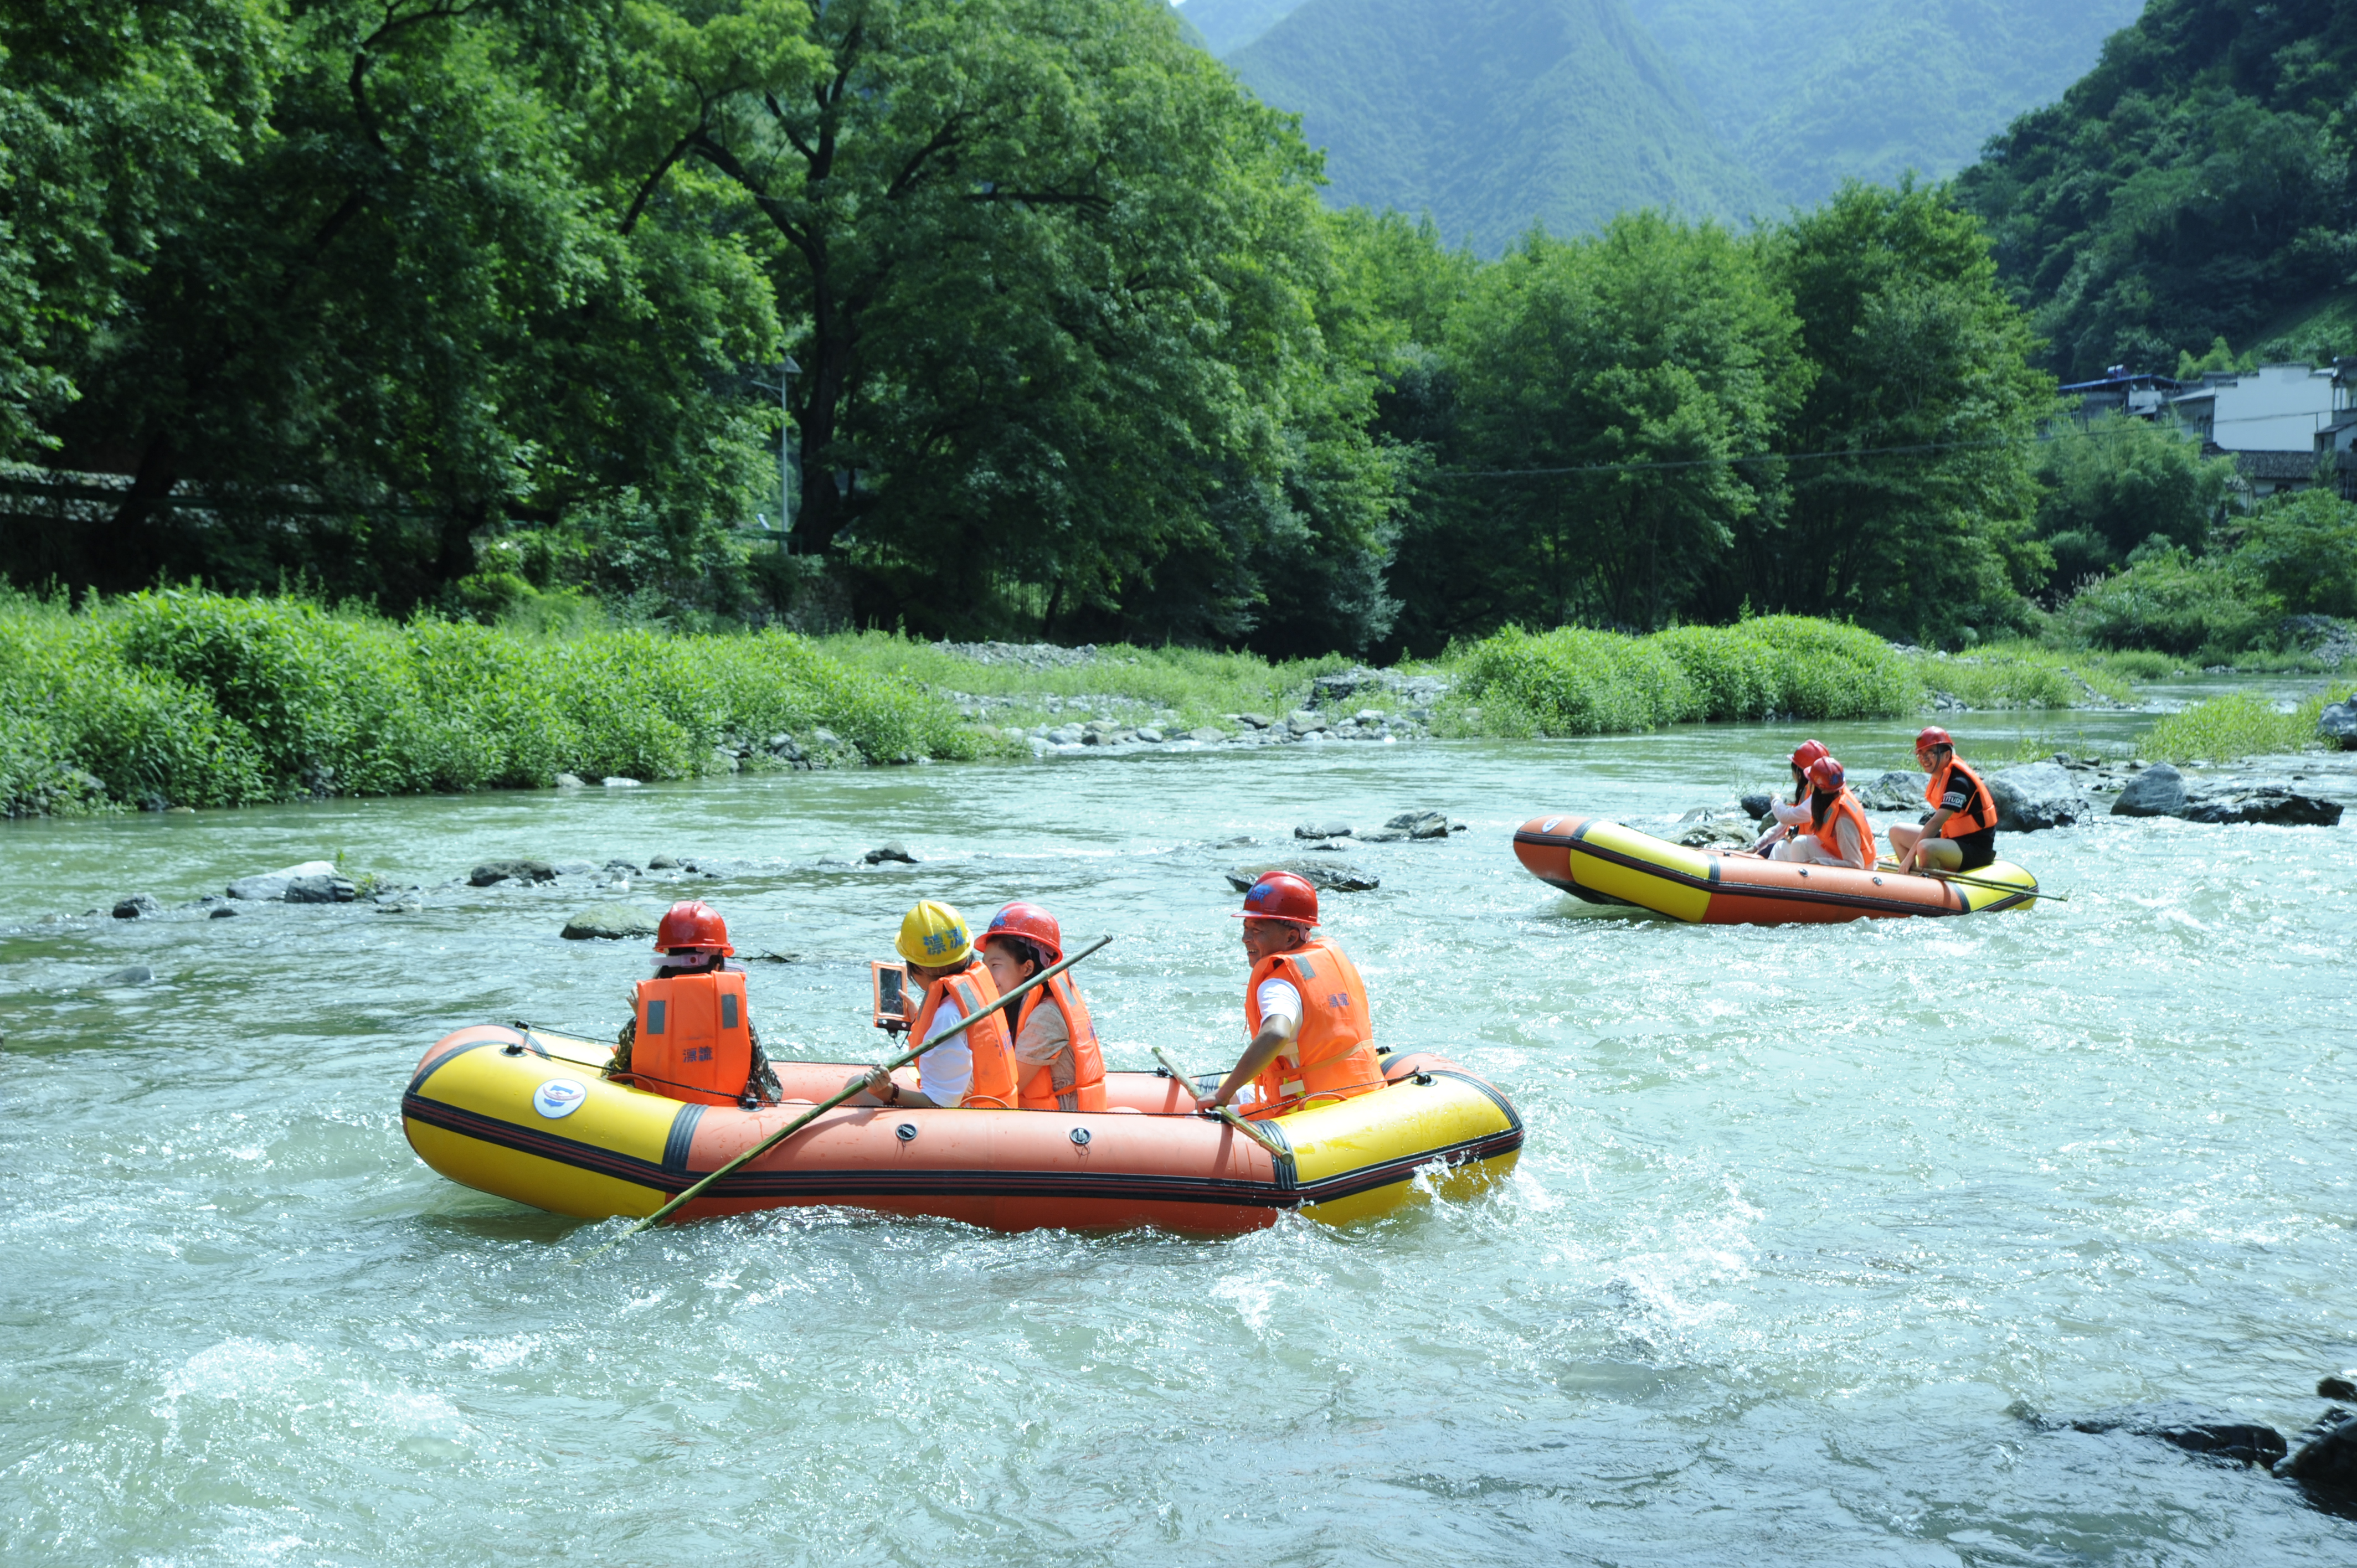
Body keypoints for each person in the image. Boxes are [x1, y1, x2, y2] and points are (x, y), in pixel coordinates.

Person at [1199, 870, 1384, 1122]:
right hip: (1362, 1095)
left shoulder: (1278, 983)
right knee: (1243, 1094)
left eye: (1256, 929)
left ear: (1290, 937)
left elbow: (1276, 1033)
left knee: (1195, 1119)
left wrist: (1223, 1095)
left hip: (1307, 1111)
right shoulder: (1330, 965)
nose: (1245, 938)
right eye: (1245, 928)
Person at [847, 900, 1020, 1109]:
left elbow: (939, 1105)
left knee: (855, 1085)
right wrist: (921, 1019)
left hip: (964, 1124)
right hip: (993, 1110)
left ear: (917, 967)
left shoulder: (947, 1017)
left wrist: (886, 1092)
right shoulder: (974, 993)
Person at [610, 900, 781, 1107]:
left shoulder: (643, 1023)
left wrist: (644, 1017)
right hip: (723, 1119)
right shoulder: (740, 1023)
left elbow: (614, 1076)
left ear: (666, 962)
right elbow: (768, 1088)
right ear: (719, 963)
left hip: (657, 1121)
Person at [977, 901, 1105, 1112]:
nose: (987, 975)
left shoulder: (1047, 1016)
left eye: (995, 965)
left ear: (1027, 968)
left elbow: (1007, 1089)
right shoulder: (1020, 1002)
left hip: (1061, 1127)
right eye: (984, 965)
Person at [1888, 726, 2000, 874]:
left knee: (1926, 847)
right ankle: (1911, 877)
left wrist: (1910, 856)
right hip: (1951, 839)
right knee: (1896, 832)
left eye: (1930, 753)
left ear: (1947, 755)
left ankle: (1931, 886)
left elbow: (1936, 822)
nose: (1924, 759)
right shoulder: (1940, 777)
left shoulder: (1959, 781)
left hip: (1975, 848)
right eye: (1920, 754)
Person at [1767, 756, 1877, 870]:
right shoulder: (1830, 800)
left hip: (1862, 874)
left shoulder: (1843, 822)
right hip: (1838, 856)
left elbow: (1856, 865)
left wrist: (1822, 862)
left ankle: (1800, 885)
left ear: (1817, 788)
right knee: (1783, 847)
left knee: (1801, 843)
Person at [1747, 739, 1829, 854]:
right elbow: (1782, 827)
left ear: (1800, 774)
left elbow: (1785, 817)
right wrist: (1757, 846)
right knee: (1770, 849)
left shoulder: (1817, 799)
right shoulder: (1811, 793)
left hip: (1821, 855)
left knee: (1780, 846)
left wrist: (1776, 799)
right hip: (1812, 849)